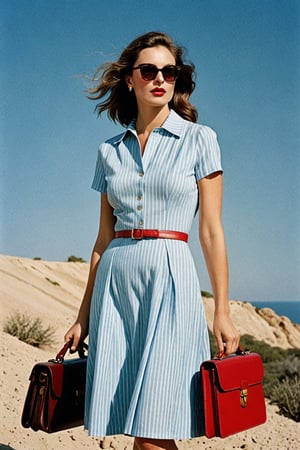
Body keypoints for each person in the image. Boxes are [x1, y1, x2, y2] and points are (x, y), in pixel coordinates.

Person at [64, 31, 240, 450]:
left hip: (170, 280)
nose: (160, 78)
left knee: (154, 428)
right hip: (116, 285)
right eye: (149, 70)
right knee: (132, 422)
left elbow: (211, 231)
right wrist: (82, 315)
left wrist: (223, 310)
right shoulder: (109, 152)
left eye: (169, 71)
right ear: (130, 79)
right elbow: (102, 239)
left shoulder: (201, 139)